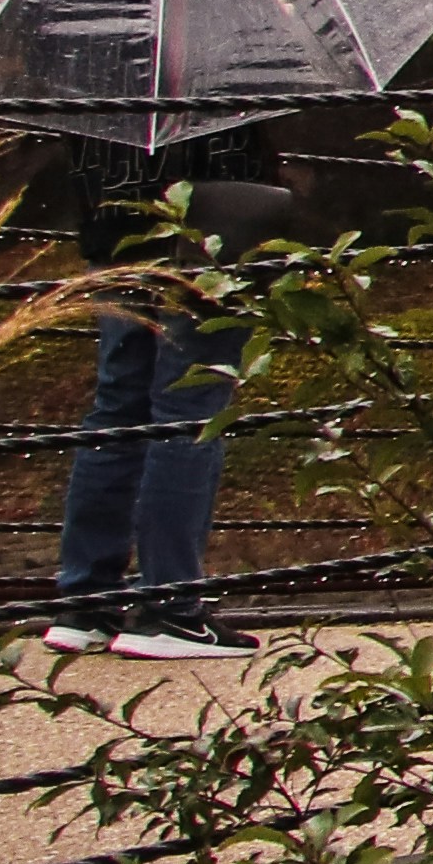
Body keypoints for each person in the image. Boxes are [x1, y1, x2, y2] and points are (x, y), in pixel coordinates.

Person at [38, 125, 293, 663]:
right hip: (208, 227)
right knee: (189, 411)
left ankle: (86, 601)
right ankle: (169, 607)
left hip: (111, 225)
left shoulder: (100, 51)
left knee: (118, 407)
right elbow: (226, 143)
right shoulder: (224, 49)